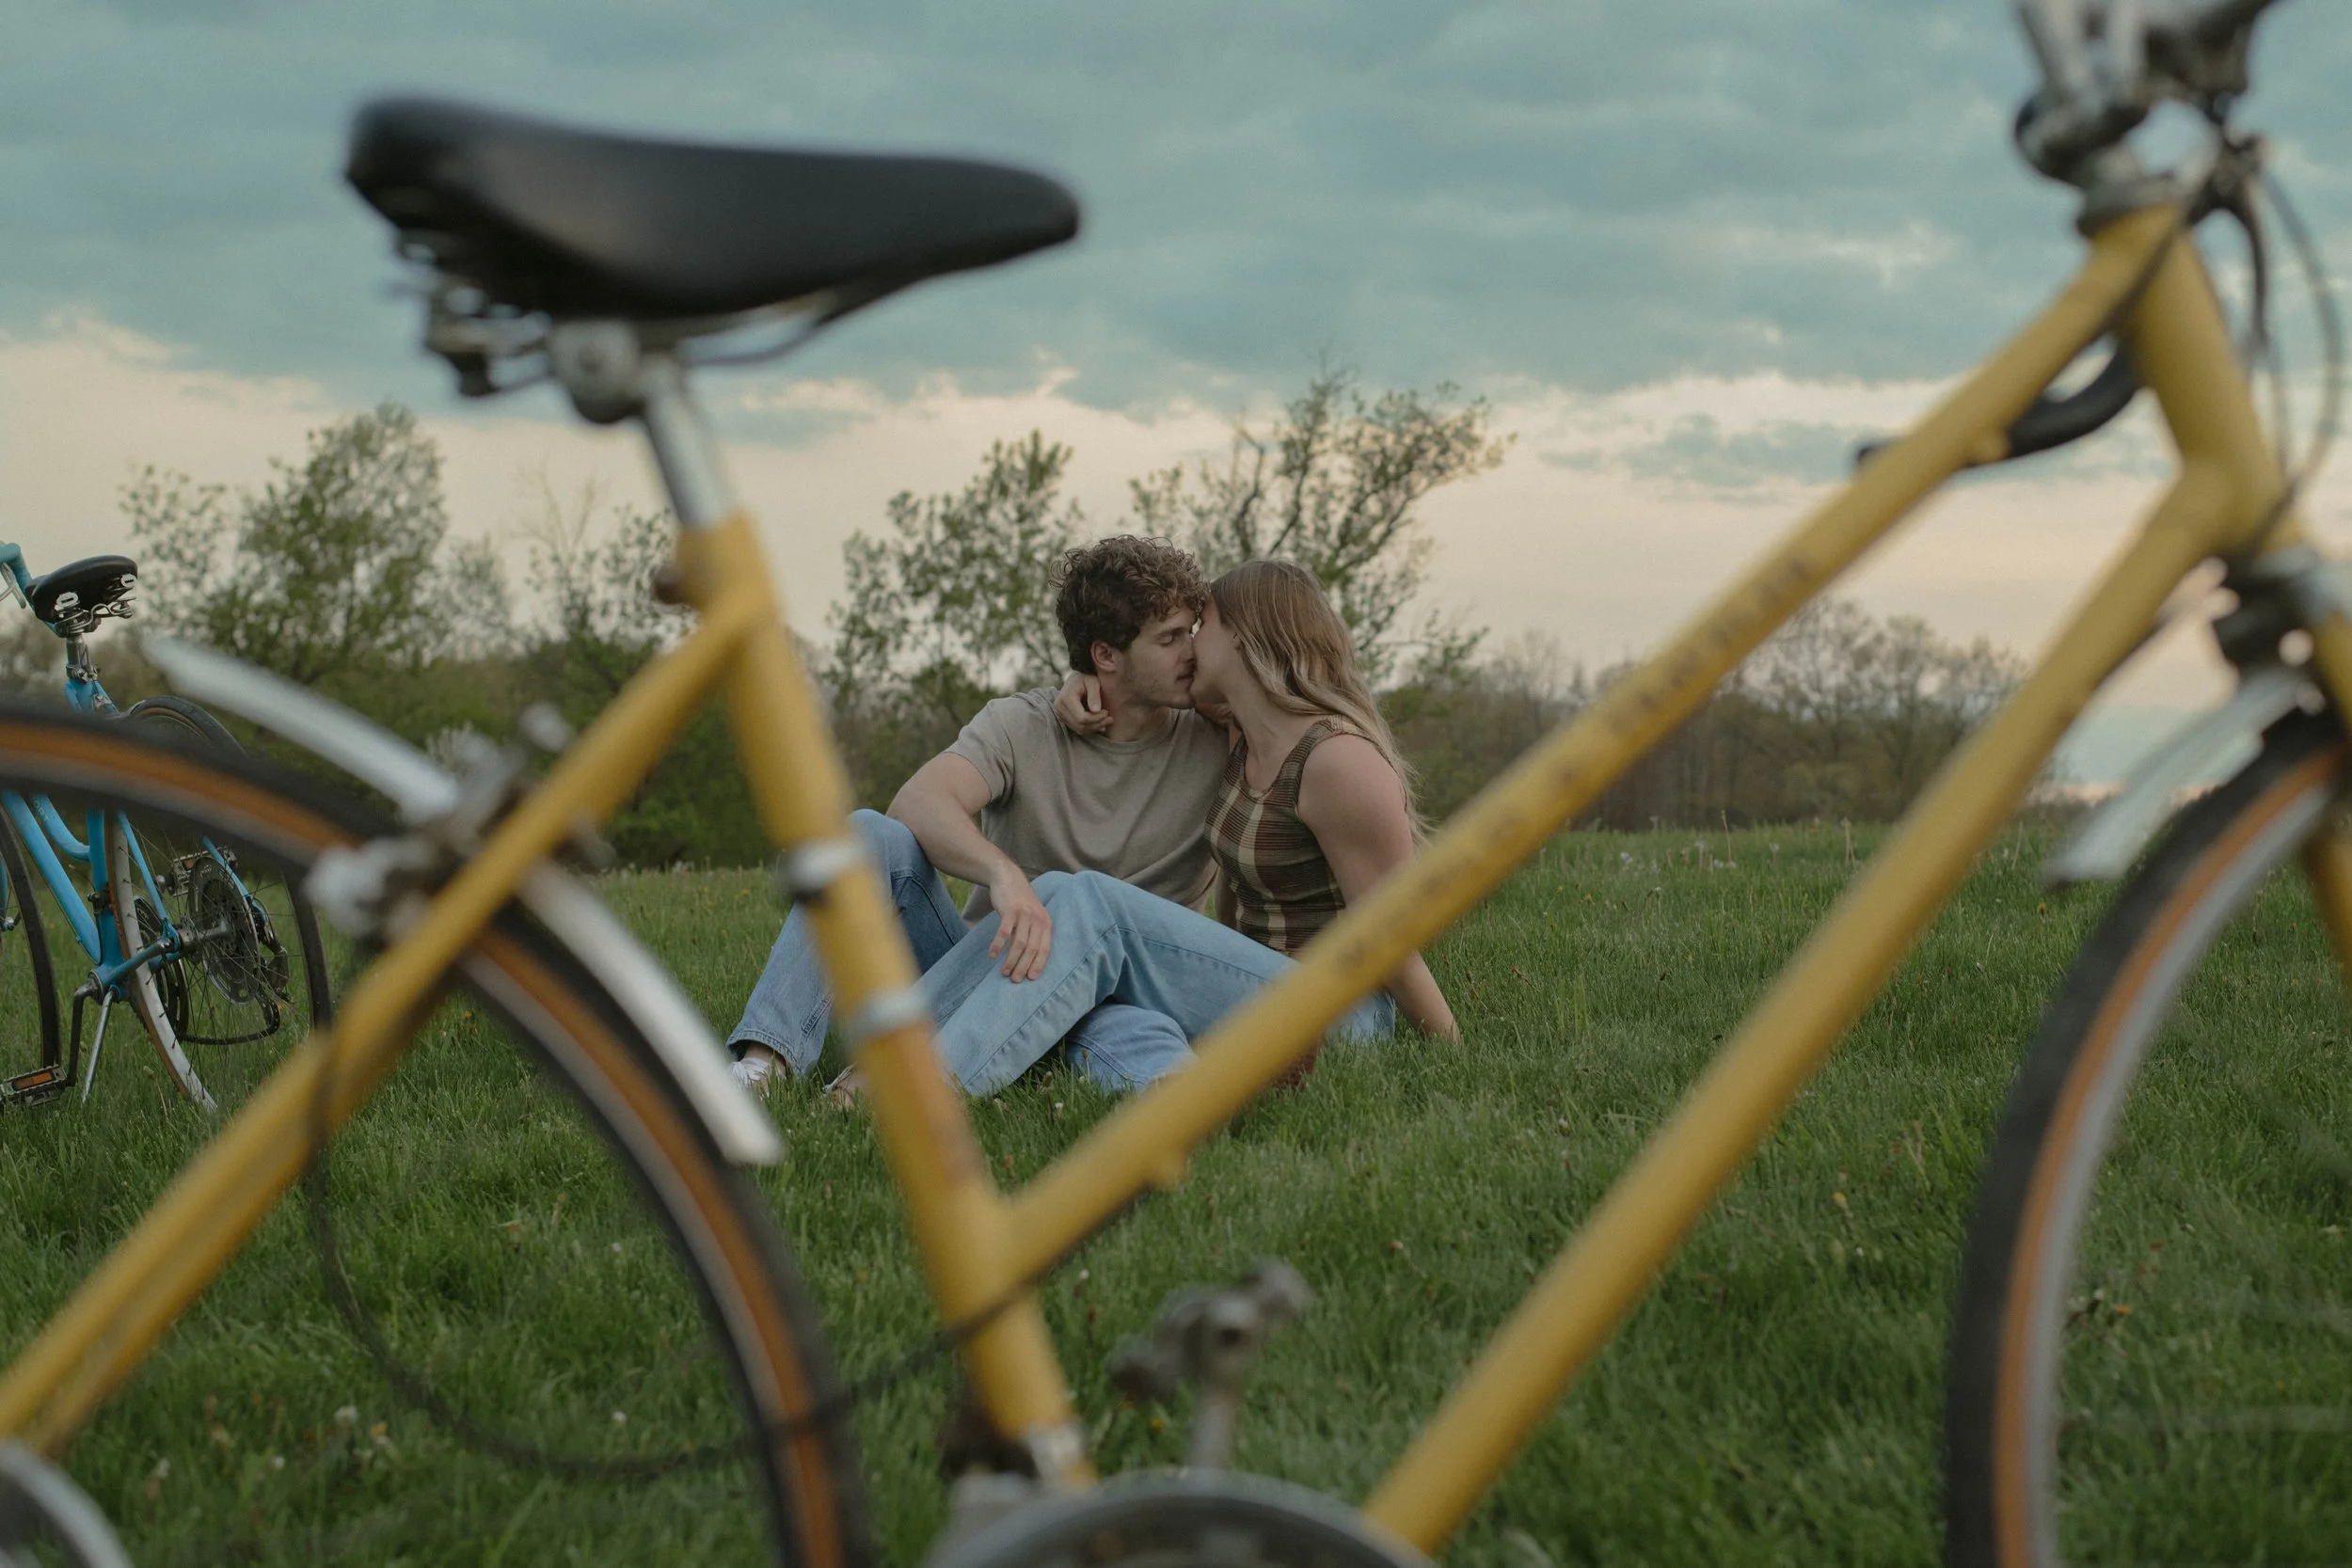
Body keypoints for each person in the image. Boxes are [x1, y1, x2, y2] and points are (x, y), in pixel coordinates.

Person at [914, 557, 1456, 1096]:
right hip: (1257, 989)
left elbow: (1392, 933)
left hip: (1339, 1013)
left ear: (1243, 639)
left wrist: (1451, 1050)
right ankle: (900, 1066)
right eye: (1178, 635)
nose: (1193, 644)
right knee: (1060, 897)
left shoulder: (1338, 761)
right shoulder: (1242, 737)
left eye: (1203, 625)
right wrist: (1084, 678)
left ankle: (928, 1089)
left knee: (1090, 902)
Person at [727, 534, 1231, 1093]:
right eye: (1169, 639)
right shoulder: (1026, 724)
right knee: (868, 834)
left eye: (1189, 631)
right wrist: (1002, 874)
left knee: (1145, 1038)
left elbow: (1296, 704)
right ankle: (762, 1065)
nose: (1191, 651)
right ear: (1106, 656)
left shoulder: (1222, 734)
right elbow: (918, 801)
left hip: (1110, 995)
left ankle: (1181, 1103)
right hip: (982, 966)